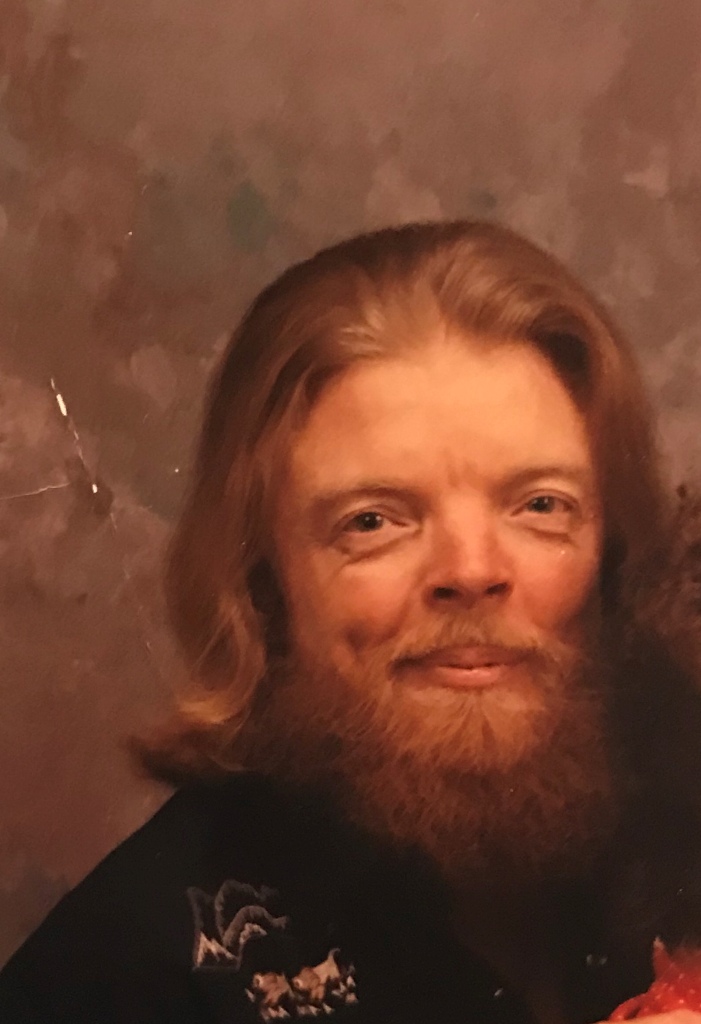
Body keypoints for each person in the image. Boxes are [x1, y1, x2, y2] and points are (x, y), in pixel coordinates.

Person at [2, 220, 701, 1024]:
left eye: (540, 505)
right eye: (373, 521)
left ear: (612, 549)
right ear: (261, 579)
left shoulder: (673, 837)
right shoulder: (131, 978)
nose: (471, 569)